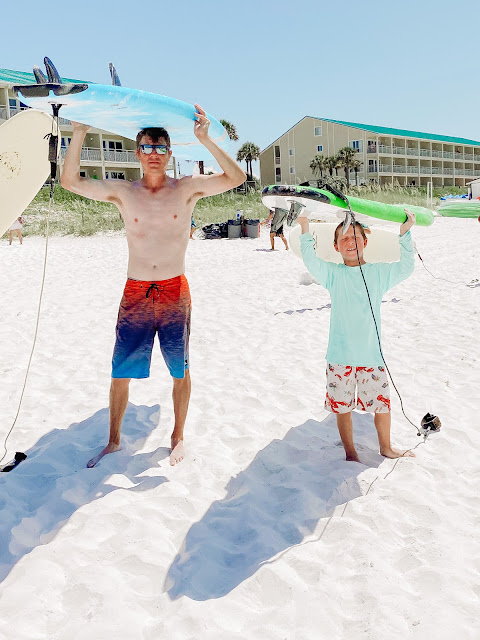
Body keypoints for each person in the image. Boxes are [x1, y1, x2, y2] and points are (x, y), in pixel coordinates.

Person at [61, 105, 246, 468]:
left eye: (161, 147)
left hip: (175, 290)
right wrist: (80, 130)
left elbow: (236, 178)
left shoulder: (187, 189)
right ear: (138, 153)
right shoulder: (124, 191)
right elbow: (71, 182)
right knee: (120, 370)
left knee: (180, 369)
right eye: (147, 147)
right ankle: (113, 440)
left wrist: (205, 138)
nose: (154, 154)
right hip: (136, 291)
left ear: (170, 153)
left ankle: (177, 436)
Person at [297, 210, 417, 462]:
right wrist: (305, 225)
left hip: (371, 355)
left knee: (382, 405)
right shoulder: (333, 274)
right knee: (343, 407)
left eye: (355, 237)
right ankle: (350, 453)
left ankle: (386, 447)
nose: (350, 242)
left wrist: (404, 234)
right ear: (336, 247)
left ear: (365, 241)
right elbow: (310, 260)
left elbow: (406, 267)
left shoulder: (379, 273)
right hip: (339, 356)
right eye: (343, 239)